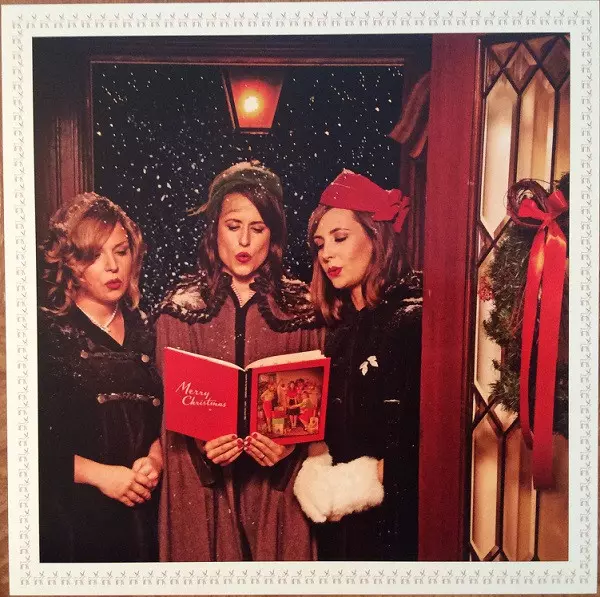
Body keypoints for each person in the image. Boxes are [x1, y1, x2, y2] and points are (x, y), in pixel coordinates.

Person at [154, 161, 322, 561]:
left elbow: (317, 413)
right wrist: (200, 444)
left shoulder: (304, 310)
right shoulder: (180, 311)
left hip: (278, 490)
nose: (244, 240)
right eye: (233, 226)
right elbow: (165, 417)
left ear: (273, 234)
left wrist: (289, 450)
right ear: (214, 229)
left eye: (258, 228)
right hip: (202, 488)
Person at [294, 169, 422, 561]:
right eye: (320, 244)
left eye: (340, 238)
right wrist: (316, 465)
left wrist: (356, 484)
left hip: (393, 529)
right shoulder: (340, 332)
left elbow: (425, 443)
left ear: (376, 237)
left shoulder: (410, 320)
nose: (326, 254)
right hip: (341, 533)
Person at [37, 193, 163, 563]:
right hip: (76, 520)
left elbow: (164, 421)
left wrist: (156, 460)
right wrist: (101, 476)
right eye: (94, 256)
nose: (112, 266)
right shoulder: (48, 335)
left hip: (146, 515)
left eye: (121, 251)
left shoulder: (149, 328)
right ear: (70, 262)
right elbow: (27, 447)